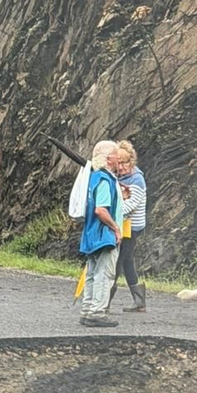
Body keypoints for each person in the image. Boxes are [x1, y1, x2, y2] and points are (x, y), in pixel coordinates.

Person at [69, 139, 122, 328]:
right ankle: (97, 312)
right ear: (109, 159)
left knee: (92, 272)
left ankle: (87, 310)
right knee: (104, 273)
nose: (119, 158)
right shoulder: (106, 180)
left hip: (91, 233)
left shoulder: (93, 177)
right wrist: (116, 228)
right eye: (116, 154)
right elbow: (101, 209)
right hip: (104, 234)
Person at [109, 141, 147, 313]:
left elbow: (130, 205)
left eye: (125, 163)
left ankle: (104, 301)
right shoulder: (118, 177)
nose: (122, 167)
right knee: (127, 261)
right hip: (122, 225)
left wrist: (107, 213)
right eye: (119, 163)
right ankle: (139, 302)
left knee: (117, 261)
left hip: (131, 228)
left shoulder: (137, 179)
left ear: (132, 162)